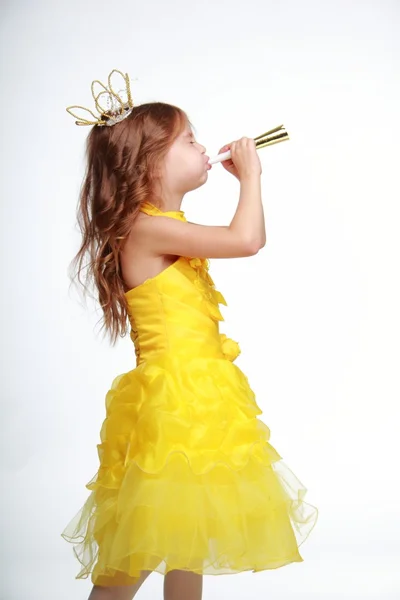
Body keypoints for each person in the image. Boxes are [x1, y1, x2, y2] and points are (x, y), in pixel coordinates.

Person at [61, 70, 318, 600]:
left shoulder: (166, 225)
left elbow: (247, 237)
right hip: (171, 406)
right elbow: (246, 240)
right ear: (149, 161)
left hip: (198, 404)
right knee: (133, 557)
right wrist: (251, 177)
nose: (203, 148)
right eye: (190, 139)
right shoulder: (144, 227)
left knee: (187, 541)